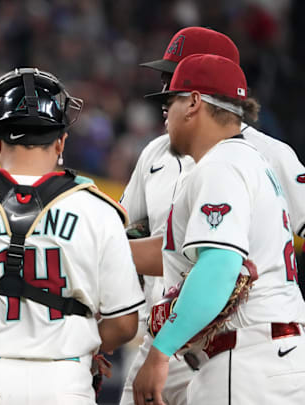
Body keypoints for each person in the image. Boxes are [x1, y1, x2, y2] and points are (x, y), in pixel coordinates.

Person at [0, 67, 145, 404]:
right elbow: (124, 324)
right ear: (62, 141)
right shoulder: (99, 210)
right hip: (66, 379)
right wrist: (80, 339)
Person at [119, 27, 305, 405]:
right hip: (216, 343)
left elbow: (219, 265)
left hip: (241, 347)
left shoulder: (234, 162)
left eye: (170, 93)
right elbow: (164, 248)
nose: (163, 105)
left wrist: (161, 351)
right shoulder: (233, 158)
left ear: (195, 102)